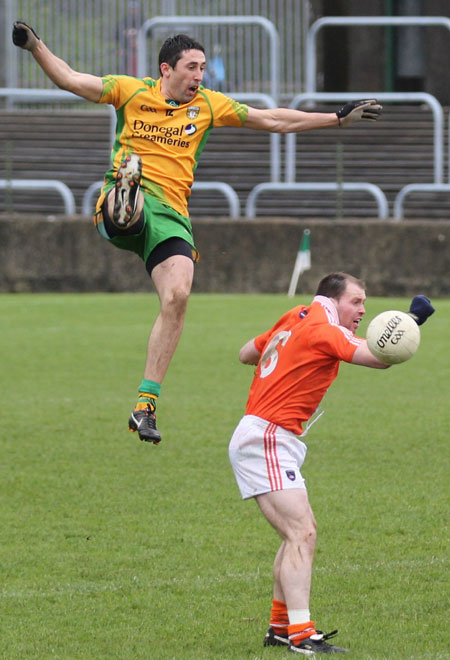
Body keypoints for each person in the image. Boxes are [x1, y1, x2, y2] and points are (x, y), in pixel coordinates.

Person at [12, 22, 383, 445]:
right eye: (191, 68)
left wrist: (336, 118)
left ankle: (145, 405)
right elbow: (70, 79)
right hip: (130, 204)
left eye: (203, 68)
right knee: (127, 212)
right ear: (165, 69)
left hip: (171, 215)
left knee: (178, 296)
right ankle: (123, 199)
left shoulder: (208, 104)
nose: (199, 76)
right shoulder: (131, 91)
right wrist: (36, 45)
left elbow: (275, 119)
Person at [228, 273, 434, 656]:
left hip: (269, 436)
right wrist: (412, 322)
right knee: (302, 534)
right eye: (356, 302)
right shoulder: (324, 329)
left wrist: (278, 352)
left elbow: (246, 352)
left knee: (298, 533)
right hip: (267, 438)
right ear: (333, 299)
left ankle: (280, 628)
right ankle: (302, 636)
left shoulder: (297, 316)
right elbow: (379, 358)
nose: (362, 310)